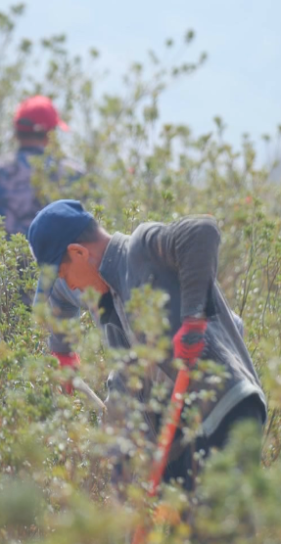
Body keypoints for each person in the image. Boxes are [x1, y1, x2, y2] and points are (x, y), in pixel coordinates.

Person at [27, 199, 266, 494]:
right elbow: (63, 297)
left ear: (78, 252)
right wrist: (62, 350)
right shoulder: (102, 293)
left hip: (225, 414)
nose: (71, 286)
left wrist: (193, 319)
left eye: (64, 274)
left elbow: (201, 230)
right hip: (180, 436)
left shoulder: (140, 250)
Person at [0, 95, 84, 238]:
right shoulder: (72, 174)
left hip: (1, 259)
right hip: (53, 260)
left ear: (17, 133)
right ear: (50, 133)